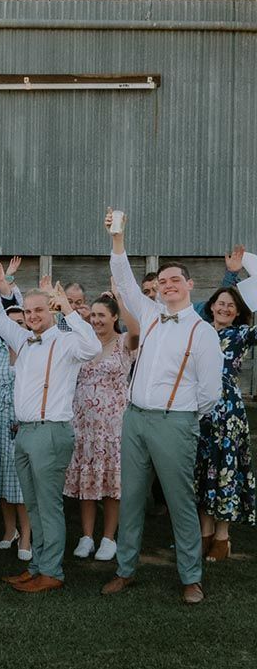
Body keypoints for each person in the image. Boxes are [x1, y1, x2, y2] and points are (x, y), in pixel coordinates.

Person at [102, 209, 221, 605]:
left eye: (175, 280)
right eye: (163, 281)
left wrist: (181, 417)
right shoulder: (150, 314)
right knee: (132, 498)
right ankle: (125, 570)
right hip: (134, 419)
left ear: (189, 285)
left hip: (175, 423)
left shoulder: (202, 332)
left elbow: (210, 392)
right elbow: (123, 279)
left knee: (179, 501)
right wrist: (118, 239)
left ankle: (191, 577)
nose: (168, 285)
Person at [0, 260, 101, 593]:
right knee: (33, 504)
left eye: (38, 310)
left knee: (48, 506)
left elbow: (93, 347)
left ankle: (51, 572)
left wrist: (69, 309)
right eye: (28, 311)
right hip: (24, 432)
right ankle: (36, 566)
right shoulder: (23, 340)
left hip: (51, 432)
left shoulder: (67, 340)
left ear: (51, 310)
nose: (32, 315)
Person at [65, 295, 139, 562]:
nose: (96, 320)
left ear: (114, 317)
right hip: (83, 423)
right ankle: (86, 537)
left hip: (113, 426)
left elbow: (137, 331)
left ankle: (108, 538)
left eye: (101, 315)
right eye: (93, 315)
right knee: (86, 480)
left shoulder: (125, 342)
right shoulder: (83, 342)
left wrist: (122, 297)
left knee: (111, 482)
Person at [195, 286, 257, 561]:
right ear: (211, 306)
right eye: (221, 303)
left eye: (231, 305)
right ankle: (204, 534)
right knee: (202, 470)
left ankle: (222, 538)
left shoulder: (240, 334)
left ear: (238, 312)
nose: (224, 308)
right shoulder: (199, 331)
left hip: (228, 411)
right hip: (199, 409)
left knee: (225, 471)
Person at [0, 306, 33, 562]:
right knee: (1, 474)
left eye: (19, 322)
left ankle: (26, 535)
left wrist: (24, 417)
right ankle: (10, 530)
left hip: (22, 413)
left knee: (20, 479)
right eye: (10, 322)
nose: (14, 327)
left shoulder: (31, 347)